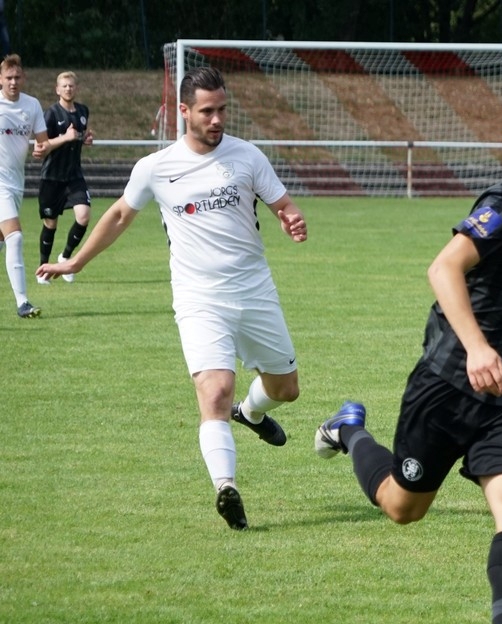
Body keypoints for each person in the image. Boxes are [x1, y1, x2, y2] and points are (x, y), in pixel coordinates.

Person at [314, 97, 502, 624]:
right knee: (402, 507)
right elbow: (443, 268)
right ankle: (350, 429)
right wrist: (479, 348)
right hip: (445, 387)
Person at [37, 67, 308, 530]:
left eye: (223, 110)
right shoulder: (156, 167)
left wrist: (292, 218)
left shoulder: (247, 156)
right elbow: (119, 215)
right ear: (184, 111)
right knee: (215, 391)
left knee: (286, 389)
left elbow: (282, 205)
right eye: (207, 111)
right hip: (198, 297)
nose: (217, 119)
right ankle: (226, 488)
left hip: (253, 289)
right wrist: (75, 262)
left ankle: (250, 412)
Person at [0, 53, 49, 318]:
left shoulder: (32, 105)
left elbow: (43, 141)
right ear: (0, 79)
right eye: (9, 77)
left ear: (24, 78)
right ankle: (23, 303)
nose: (13, 82)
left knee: (3, 240)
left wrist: (41, 148)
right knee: (15, 237)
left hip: (15, 183)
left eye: (17, 77)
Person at [36, 71, 94, 284]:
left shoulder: (83, 111)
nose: (68, 88)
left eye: (71, 85)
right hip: (52, 177)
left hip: (73, 176)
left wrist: (84, 139)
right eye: (64, 86)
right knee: (50, 224)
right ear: (57, 89)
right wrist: (66, 137)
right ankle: (43, 269)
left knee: (84, 216)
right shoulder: (50, 114)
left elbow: (79, 136)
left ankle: (65, 257)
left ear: (76, 88)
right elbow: (43, 146)